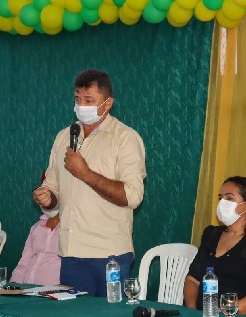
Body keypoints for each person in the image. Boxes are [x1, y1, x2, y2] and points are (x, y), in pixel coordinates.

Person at [32, 69, 146, 296]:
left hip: (109, 254)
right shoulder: (64, 136)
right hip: (71, 253)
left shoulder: (125, 138)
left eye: (89, 100)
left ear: (108, 103)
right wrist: (47, 197)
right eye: (78, 99)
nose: (81, 105)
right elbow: (53, 188)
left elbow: (133, 196)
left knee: (109, 316)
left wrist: (85, 173)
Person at [183, 176, 246, 317]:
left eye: (229, 198)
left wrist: (226, 311)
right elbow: (192, 280)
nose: (222, 203)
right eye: (220, 198)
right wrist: (192, 311)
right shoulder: (211, 234)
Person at [10, 209, 61, 285]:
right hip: (26, 287)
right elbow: (23, 263)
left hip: (54, 289)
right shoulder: (37, 227)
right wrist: (14, 285)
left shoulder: (71, 229)